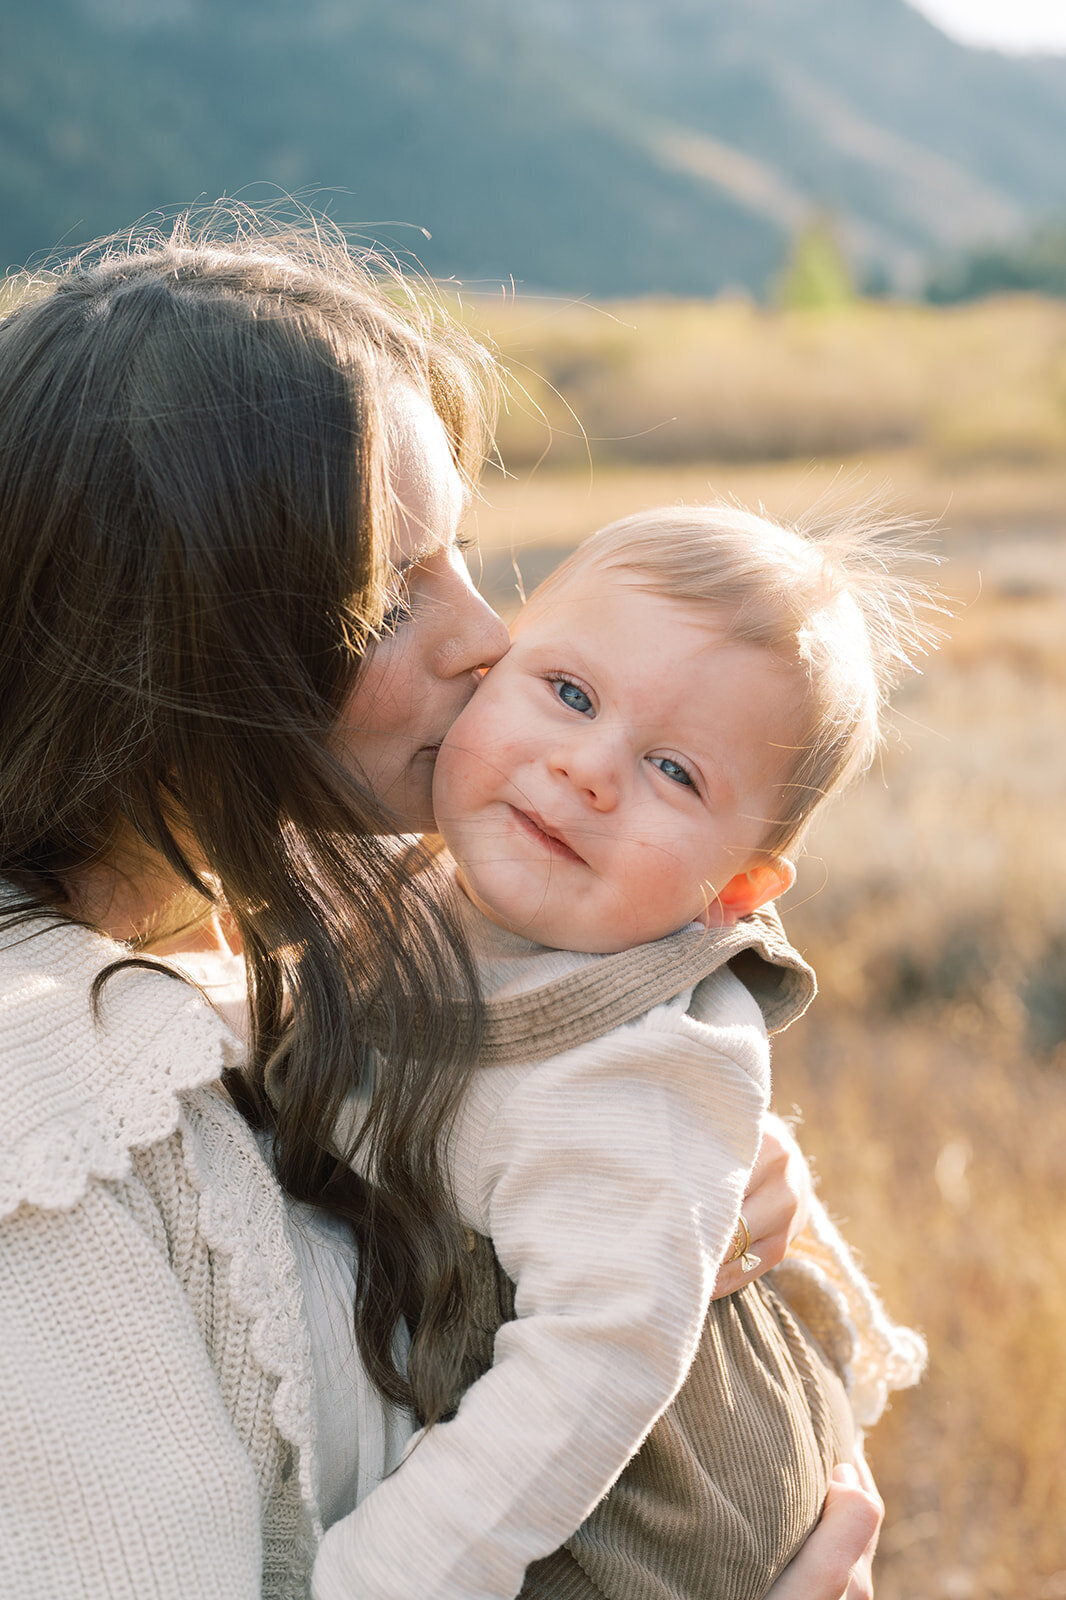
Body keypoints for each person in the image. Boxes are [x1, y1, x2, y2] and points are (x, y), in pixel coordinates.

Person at [0, 217, 884, 1600]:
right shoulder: (41, 1132)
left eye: (463, 552)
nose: (489, 638)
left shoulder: (234, 942)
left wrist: (732, 1179)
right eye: (380, 606)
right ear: (166, 662)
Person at [314, 506, 932, 1600]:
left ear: (734, 892)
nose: (589, 768)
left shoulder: (635, 1076)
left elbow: (592, 1370)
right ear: (492, 671)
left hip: (651, 1533)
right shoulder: (415, 896)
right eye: (568, 692)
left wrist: (383, 1576)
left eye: (675, 772)